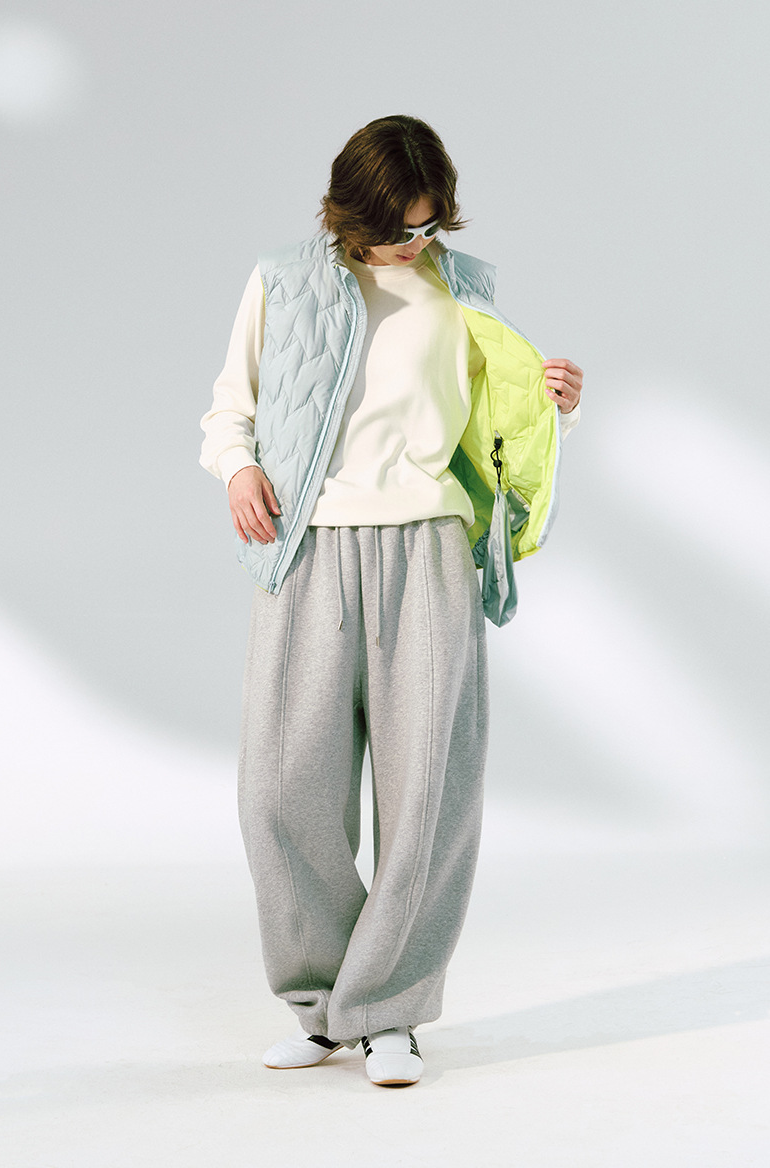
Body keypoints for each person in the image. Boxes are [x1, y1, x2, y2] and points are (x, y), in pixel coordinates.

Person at [200, 114, 582, 1088]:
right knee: (280, 787)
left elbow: (498, 422)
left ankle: (389, 1012)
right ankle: (321, 1003)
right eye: (396, 229)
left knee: (426, 793)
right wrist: (238, 468)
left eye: (427, 225)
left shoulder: (466, 289)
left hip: (428, 545)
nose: (413, 244)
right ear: (349, 211)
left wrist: (550, 400)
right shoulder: (282, 279)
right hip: (309, 547)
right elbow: (230, 405)